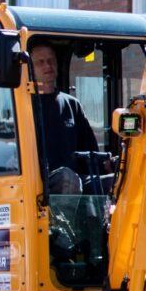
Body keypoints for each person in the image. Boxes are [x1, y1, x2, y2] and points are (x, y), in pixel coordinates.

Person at [29, 41, 99, 193]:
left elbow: (89, 149)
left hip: (77, 179)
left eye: (51, 61)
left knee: (118, 182)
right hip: (41, 183)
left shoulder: (72, 105)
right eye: (40, 62)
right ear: (30, 69)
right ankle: (63, 218)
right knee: (67, 179)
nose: (48, 66)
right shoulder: (24, 106)